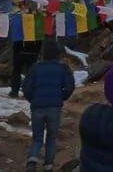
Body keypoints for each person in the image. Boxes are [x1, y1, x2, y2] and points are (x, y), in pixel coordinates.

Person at [20, 40, 75, 172]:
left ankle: (32, 160)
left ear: (43, 54)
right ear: (57, 54)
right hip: (54, 108)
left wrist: (33, 98)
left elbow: (26, 87)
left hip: (37, 106)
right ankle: (48, 165)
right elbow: (69, 86)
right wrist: (61, 97)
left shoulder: (35, 68)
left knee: (37, 136)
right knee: (51, 136)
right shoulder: (63, 68)